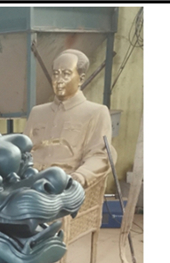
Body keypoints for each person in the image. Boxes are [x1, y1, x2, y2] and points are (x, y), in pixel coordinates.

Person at [23, 49, 115, 189]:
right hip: (31, 183)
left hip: (66, 186)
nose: (59, 80)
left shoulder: (96, 112)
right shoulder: (37, 112)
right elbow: (24, 152)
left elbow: (100, 155)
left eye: (66, 74)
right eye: (56, 74)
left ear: (81, 79)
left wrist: (81, 176)